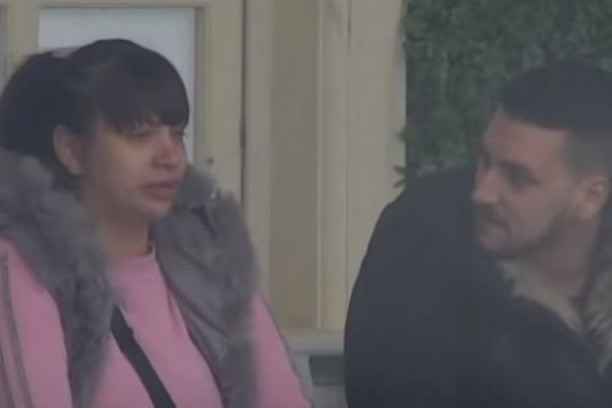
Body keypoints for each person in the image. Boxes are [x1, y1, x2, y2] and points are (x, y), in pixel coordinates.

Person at [0, 39, 310, 408]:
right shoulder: (24, 268)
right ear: (72, 150)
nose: (170, 156)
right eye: (139, 136)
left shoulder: (209, 260)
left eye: (177, 133)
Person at [345, 60, 612, 408]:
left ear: (590, 197)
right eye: (485, 160)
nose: (482, 192)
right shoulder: (423, 235)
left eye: (517, 178)